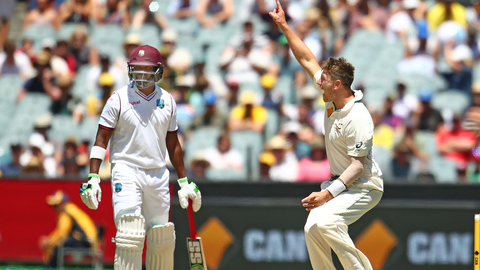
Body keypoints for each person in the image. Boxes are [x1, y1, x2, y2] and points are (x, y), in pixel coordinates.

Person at [269, 1, 384, 269]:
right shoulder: (331, 96)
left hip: (365, 186)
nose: (317, 81)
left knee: (327, 221)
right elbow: (307, 59)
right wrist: (285, 26)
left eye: (323, 80)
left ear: (338, 84)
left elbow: (357, 167)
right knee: (313, 229)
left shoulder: (359, 117)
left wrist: (327, 195)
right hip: (341, 183)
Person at [79, 45, 202, 270]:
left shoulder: (168, 100)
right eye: (137, 69)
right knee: (129, 231)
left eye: (147, 70)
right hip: (126, 170)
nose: (141, 75)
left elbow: (173, 145)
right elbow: (101, 140)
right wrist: (93, 177)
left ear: (158, 71)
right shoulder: (117, 99)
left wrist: (184, 182)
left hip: (157, 173)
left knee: (161, 236)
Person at [39, 190, 98, 268]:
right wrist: (50, 240)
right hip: (89, 241)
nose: (54, 209)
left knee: (57, 246)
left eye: (56, 205)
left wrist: (48, 242)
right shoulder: (71, 209)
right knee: (58, 244)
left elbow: (62, 233)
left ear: (62, 204)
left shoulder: (66, 212)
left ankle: (50, 267)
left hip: (86, 242)